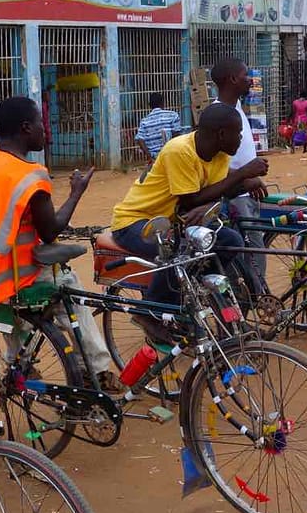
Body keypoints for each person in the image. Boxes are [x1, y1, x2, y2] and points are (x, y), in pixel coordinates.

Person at [0, 96, 120, 390]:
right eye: (40, 124)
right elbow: (50, 231)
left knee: (20, 312)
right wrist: (76, 192)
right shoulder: (30, 176)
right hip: (12, 275)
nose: (45, 129)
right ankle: (96, 372)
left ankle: (19, 363)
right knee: (70, 287)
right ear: (25, 128)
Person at [111, 103, 267, 343]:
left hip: (172, 221)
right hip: (137, 221)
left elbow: (212, 193)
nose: (241, 138)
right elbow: (191, 200)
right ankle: (149, 313)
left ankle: (216, 305)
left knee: (229, 240)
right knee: (178, 251)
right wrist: (243, 174)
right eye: (238, 133)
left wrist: (245, 183)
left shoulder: (220, 154)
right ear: (221, 134)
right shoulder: (180, 151)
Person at [212, 58, 268, 284]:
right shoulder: (218, 115)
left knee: (255, 249)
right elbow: (214, 165)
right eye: (246, 75)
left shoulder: (236, 108)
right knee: (252, 253)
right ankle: (255, 299)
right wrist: (246, 178)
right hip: (235, 196)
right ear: (233, 79)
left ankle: (255, 296)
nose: (250, 80)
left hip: (246, 193)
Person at [136, 93, 182, 163]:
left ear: (149, 105)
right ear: (163, 103)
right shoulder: (173, 115)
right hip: (171, 155)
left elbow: (139, 139)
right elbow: (176, 134)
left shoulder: (144, 121)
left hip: (155, 158)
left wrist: (149, 156)